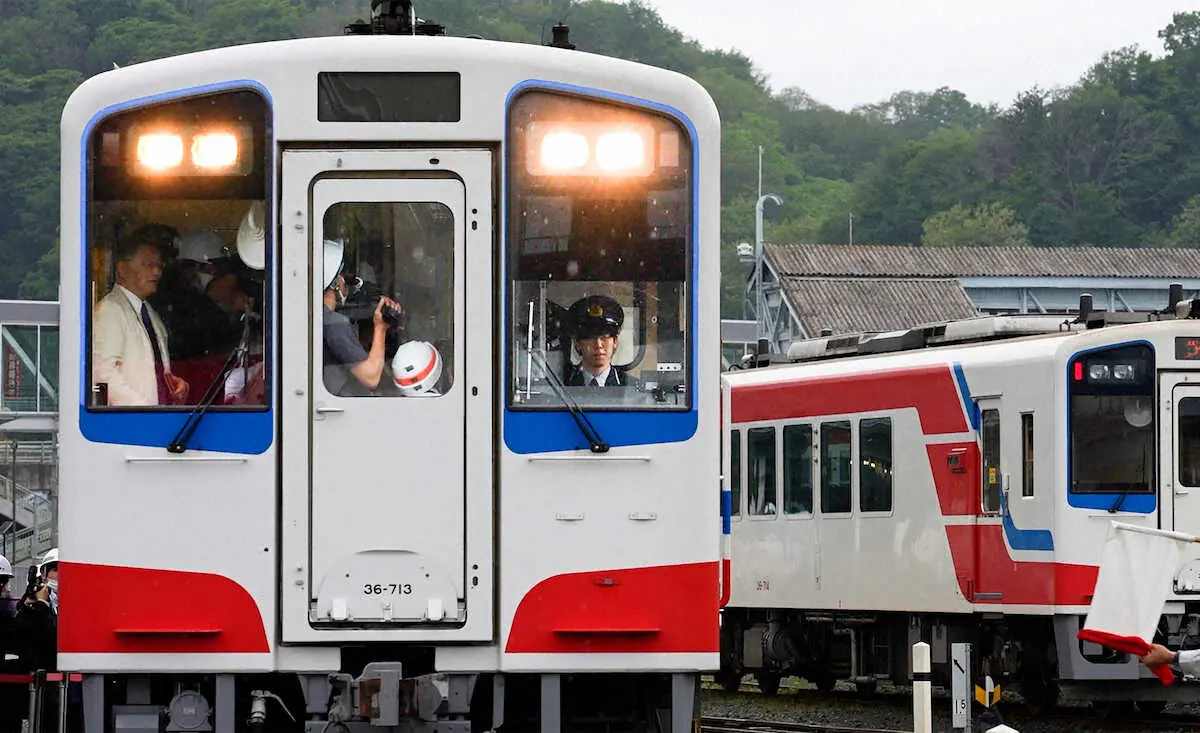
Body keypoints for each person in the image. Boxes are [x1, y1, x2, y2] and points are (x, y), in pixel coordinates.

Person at [93, 233, 190, 406]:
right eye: (148, 265)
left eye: (159, 266)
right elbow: (103, 375)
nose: (157, 272)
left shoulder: (149, 312)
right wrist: (143, 410)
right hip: (133, 423)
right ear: (122, 269)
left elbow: (151, 368)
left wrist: (173, 384)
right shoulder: (109, 310)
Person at [321, 239, 402, 396]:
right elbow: (371, 377)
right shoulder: (334, 324)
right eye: (342, 276)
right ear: (337, 283)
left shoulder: (319, 319)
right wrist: (380, 327)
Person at [564, 294, 633, 387]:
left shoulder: (630, 388)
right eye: (591, 338)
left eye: (605, 337)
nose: (598, 345)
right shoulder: (561, 384)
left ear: (615, 341)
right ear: (577, 343)